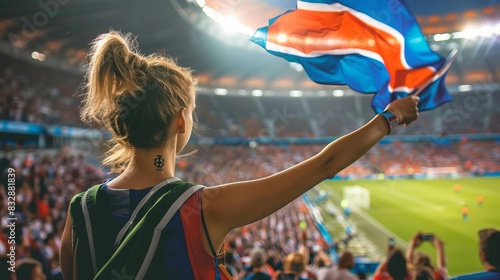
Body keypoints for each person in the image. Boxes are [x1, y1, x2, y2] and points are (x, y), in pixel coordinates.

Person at [59, 31, 419, 279]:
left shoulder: (80, 212)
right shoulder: (203, 207)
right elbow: (324, 165)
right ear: (181, 121)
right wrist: (390, 116)